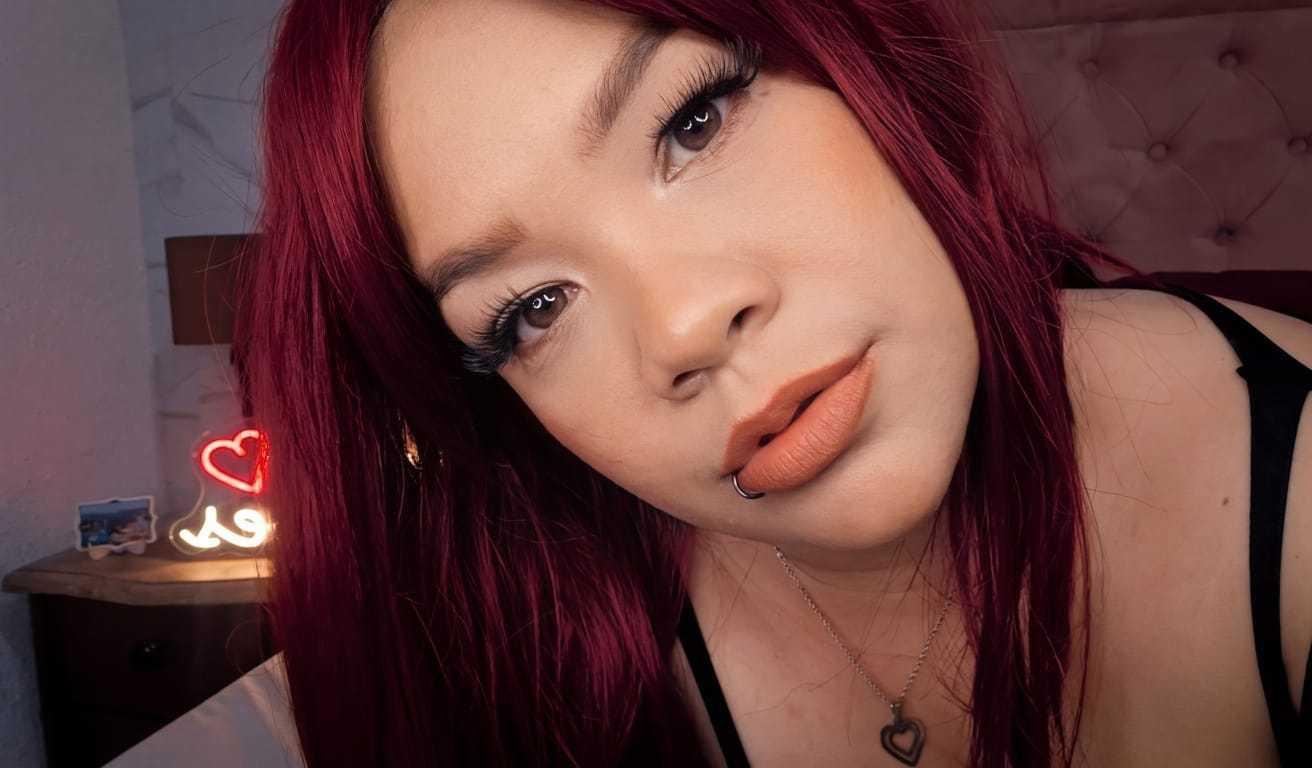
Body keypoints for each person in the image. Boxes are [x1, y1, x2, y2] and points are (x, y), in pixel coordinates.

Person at [231, 0, 1312, 765]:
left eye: (692, 122)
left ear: (860, 62)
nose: (685, 327)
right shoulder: (539, 626)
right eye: (534, 308)